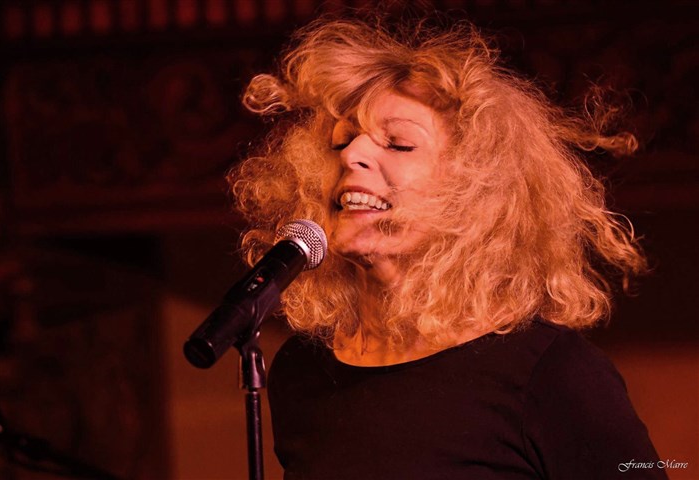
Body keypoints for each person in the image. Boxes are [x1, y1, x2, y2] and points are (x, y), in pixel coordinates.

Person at [230, 13, 666, 480]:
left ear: (475, 189)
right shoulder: (302, 371)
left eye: (398, 144)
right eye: (341, 141)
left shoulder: (551, 373)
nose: (353, 154)